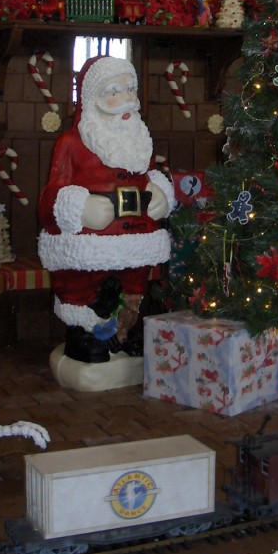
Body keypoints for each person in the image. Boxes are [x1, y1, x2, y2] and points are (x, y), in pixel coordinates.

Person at [37, 55, 176, 364]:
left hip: (137, 241)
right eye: (114, 90)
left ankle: (125, 330)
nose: (126, 99)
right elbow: (50, 199)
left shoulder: (139, 137)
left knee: (134, 285)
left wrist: (161, 194)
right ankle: (84, 330)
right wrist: (79, 208)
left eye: (131, 89)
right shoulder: (72, 142)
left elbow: (149, 174)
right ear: (91, 97)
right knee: (86, 285)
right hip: (90, 243)